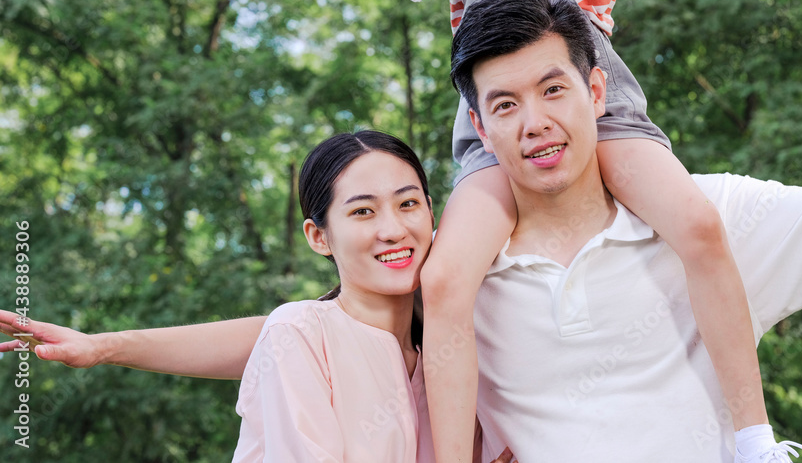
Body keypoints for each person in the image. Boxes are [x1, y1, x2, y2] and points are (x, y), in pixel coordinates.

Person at [5, 0, 802, 460]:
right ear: (479, 128)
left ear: (594, 90)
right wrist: (108, 348)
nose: (535, 121)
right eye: (505, 104)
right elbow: (291, 332)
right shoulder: (459, 277)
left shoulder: (707, 221)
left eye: (551, 89)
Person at [346, 0, 785, 463]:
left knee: (699, 224)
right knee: (445, 279)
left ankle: (754, 437)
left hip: (603, 118)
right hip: (499, 143)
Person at [0, 131, 514, 463]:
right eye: (362, 212)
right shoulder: (299, 334)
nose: (393, 229)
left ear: (433, 213)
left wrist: (105, 345)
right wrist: (103, 346)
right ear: (318, 237)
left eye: (408, 204)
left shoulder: (448, 353)